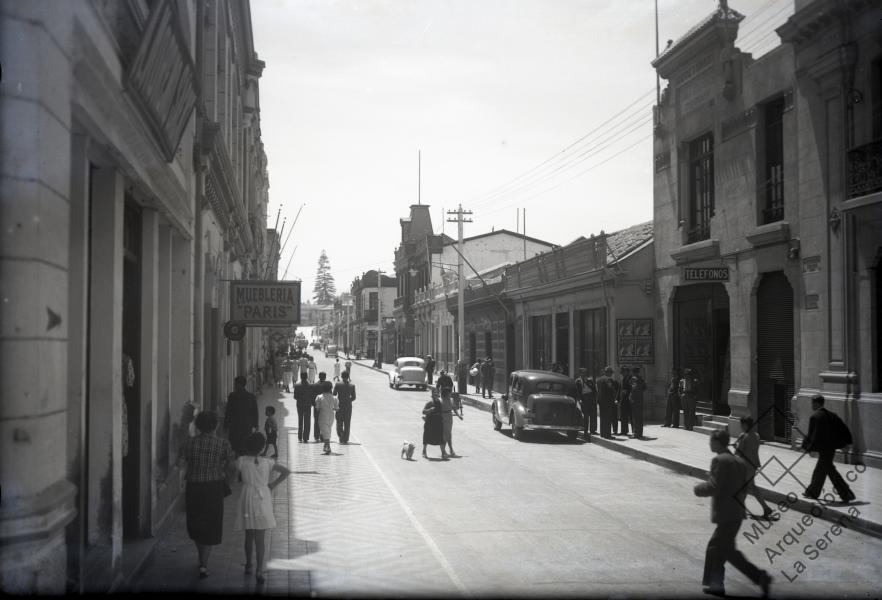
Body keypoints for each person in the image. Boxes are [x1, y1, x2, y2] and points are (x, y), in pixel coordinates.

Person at [694, 429, 772, 597]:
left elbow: (714, 487)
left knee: (717, 548)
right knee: (723, 549)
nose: (709, 444)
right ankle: (719, 583)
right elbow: (743, 489)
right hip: (736, 513)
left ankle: (758, 577)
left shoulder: (719, 460)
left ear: (718, 442)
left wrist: (698, 488)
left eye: (711, 441)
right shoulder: (739, 462)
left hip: (726, 513)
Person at [177, 410, 235, 579]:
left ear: (197, 426)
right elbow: (231, 467)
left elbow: (181, 464)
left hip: (194, 487)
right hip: (213, 488)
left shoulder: (189, 444)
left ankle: (201, 556)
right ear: (216, 426)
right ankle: (204, 563)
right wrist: (227, 479)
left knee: (195, 522)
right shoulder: (223, 444)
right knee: (212, 523)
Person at [235, 432, 290, 584]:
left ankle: (248, 565)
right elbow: (286, 472)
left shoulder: (241, 461)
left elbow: (235, 476)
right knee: (260, 539)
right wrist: (272, 484)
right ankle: (260, 570)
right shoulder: (268, 462)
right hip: (263, 497)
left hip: (247, 497)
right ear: (262, 447)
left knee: (249, 534)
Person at [801, 394, 856, 502]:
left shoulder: (815, 416)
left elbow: (813, 435)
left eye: (812, 403)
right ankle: (813, 492)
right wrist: (847, 443)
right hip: (831, 448)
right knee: (826, 469)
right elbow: (844, 429)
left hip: (823, 449)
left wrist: (807, 447)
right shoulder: (833, 415)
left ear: (816, 403)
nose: (811, 405)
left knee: (825, 470)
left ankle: (846, 494)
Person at [733, 416, 775, 520]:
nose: (740, 427)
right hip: (753, 465)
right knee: (749, 486)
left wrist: (736, 447)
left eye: (741, 425)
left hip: (745, 466)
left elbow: (738, 453)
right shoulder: (756, 435)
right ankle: (764, 508)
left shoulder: (745, 437)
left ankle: (741, 510)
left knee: (744, 487)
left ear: (745, 425)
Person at [225, 376, 259, 456]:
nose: (234, 386)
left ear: (238, 384)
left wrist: (226, 424)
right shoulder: (251, 396)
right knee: (245, 444)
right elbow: (255, 412)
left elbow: (228, 411)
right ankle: (243, 461)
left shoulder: (232, 396)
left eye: (235, 384)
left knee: (235, 445)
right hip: (247, 425)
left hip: (235, 426)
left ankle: (237, 462)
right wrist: (255, 424)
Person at [314, 380, 338, 455]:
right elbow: (337, 408)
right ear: (331, 388)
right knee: (328, 430)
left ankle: (327, 446)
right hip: (331, 416)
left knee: (325, 430)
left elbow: (317, 408)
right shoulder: (334, 398)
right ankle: (326, 445)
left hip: (322, 415)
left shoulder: (319, 397)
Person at [334, 371, 357, 444]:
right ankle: (345, 438)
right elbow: (354, 397)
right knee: (347, 423)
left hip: (339, 405)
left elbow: (334, 394)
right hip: (348, 406)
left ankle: (340, 435)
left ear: (341, 376)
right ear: (348, 377)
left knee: (339, 422)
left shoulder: (338, 384)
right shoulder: (352, 386)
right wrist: (347, 400)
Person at [422, 392, 447, 459]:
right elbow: (423, 411)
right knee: (426, 437)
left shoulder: (440, 403)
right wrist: (430, 410)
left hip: (438, 422)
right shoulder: (429, 403)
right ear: (432, 396)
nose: (436, 396)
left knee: (441, 438)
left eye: (437, 395)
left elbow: (443, 412)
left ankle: (443, 452)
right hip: (430, 422)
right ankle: (424, 451)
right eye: (434, 395)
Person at [439, 387, 462, 457]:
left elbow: (454, 409)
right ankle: (443, 451)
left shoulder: (451, 400)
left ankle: (450, 449)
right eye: (449, 393)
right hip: (442, 418)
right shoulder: (440, 401)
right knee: (443, 435)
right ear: (446, 393)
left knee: (448, 434)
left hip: (449, 417)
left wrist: (458, 416)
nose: (451, 394)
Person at [595, 366, 617, 439]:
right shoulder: (608, 379)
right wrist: (614, 399)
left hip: (601, 400)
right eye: (611, 373)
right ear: (608, 372)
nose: (611, 374)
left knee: (602, 417)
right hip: (607, 401)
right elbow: (611, 390)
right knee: (608, 418)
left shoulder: (599, 379)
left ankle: (603, 433)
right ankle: (607, 434)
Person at [575, 368, 597, 438]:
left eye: (585, 372)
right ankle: (586, 431)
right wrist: (579, 400)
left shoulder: (589, 380)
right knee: (586, 416)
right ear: (580, 373)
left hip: (591, 398)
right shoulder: (578, 381)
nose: (584, 374)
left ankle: (593, 430)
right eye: (582, 373)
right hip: (584, 399)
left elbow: (594, 389)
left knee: (593, 415)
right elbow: (577, 392)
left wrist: (595, 398)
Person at [293, 372, 313, 443]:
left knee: (300, 420)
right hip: (308, 405)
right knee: (307, 421)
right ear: (307, 376)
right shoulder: (310, 385)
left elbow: (295, 397)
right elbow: (312, 396)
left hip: (300, 405)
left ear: (300, 377)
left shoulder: (297, 385)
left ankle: (300, 437)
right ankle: (306, 437)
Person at [628, 366, 646, 439]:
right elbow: (644, 387)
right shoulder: (641, 379)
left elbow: (633, 389)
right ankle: (640, 433)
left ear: (633, 372)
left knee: (635, 417)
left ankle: (636, 433)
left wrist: (631, 397)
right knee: (640, 417)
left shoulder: (633, 379)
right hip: (640, 399)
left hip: (635, 400)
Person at [617, 365, 632, 436]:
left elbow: (633, 389)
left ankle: (634, 431)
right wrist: (617, 399)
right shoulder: (622, 379)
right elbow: (619, 390)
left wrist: (628, 392)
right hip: (623, 401)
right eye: (622, 372)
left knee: (632, 417)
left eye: (623, 371)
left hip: (630, 400)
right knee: (623, 417)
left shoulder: (631, 379)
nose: (622, 373)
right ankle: (624, 431)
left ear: (627, 372)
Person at [313, 372, 327, 442]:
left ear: (319, 377)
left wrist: (314, 404)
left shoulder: (315, 385)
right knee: (324, 421)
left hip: (317, 406)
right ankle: (323, 436)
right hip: (325, 407)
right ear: (325, 377)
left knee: (317, 421)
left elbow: (312, 396)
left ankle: (316, 436)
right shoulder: (327, 385)